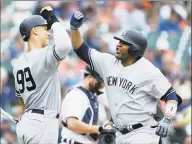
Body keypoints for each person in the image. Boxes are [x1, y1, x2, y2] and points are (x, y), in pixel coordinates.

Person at [69, 11, 182, 144]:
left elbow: (172, 96)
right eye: (119, 41)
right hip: (120, 134)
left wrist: (167, 119)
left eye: (124, 43)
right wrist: (75, 29)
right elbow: (81, 50)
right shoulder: (108, 62)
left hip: (143, 134)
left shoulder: (149, 71)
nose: (118, 45)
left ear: (135, 49)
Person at [13, 6, 71, 144]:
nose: (49, 33)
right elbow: (64, 46)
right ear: (35, 30)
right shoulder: (43, 55)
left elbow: (21, 100)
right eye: (46, 29)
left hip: (26, 123)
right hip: (42, 124)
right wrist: (53, 19)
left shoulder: (18, 64)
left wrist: (28, 116)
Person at [61, 65, 104, 144]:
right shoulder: (77, 94)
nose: (102, 84)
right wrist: (97, 129)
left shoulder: (91, 96)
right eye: (100, 80)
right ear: (90, 77)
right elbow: (72, 123)